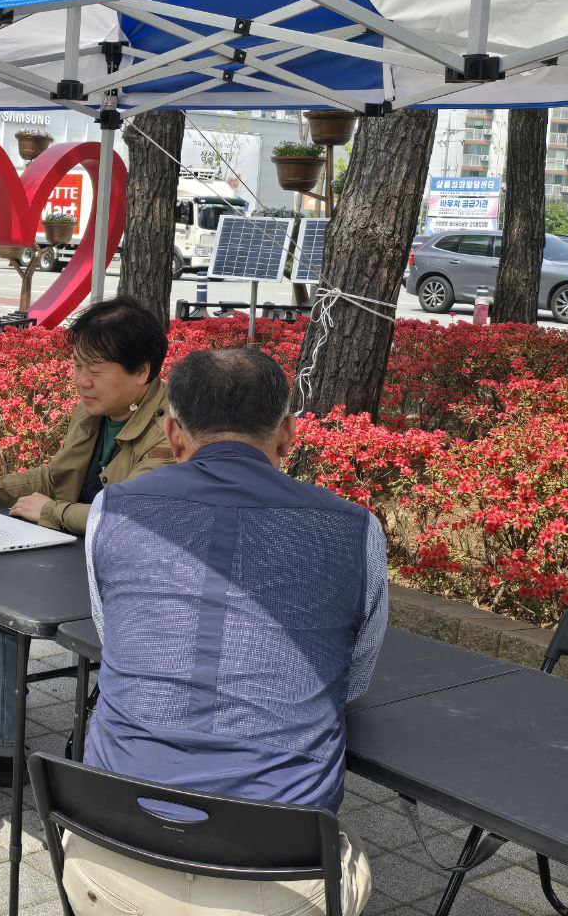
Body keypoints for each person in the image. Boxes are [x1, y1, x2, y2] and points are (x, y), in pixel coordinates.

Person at [69, 345, 387, 916]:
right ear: (288, 434)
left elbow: (114, 638)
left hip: (108, 862)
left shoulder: (111, 510)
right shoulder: (355, 529)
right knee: (355, 855)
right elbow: (353, 679)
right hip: (279, 882)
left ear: (173, 434)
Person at [0, 297, 175, 794]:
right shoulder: (99, 412)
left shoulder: (169, 428)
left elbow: (132, 516)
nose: (81, 380)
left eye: (95, 370)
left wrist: (50, 512)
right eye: (77, 365)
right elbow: (54, 477)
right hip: (72, 555)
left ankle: (94, 734)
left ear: (142, 371)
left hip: (131, 576)